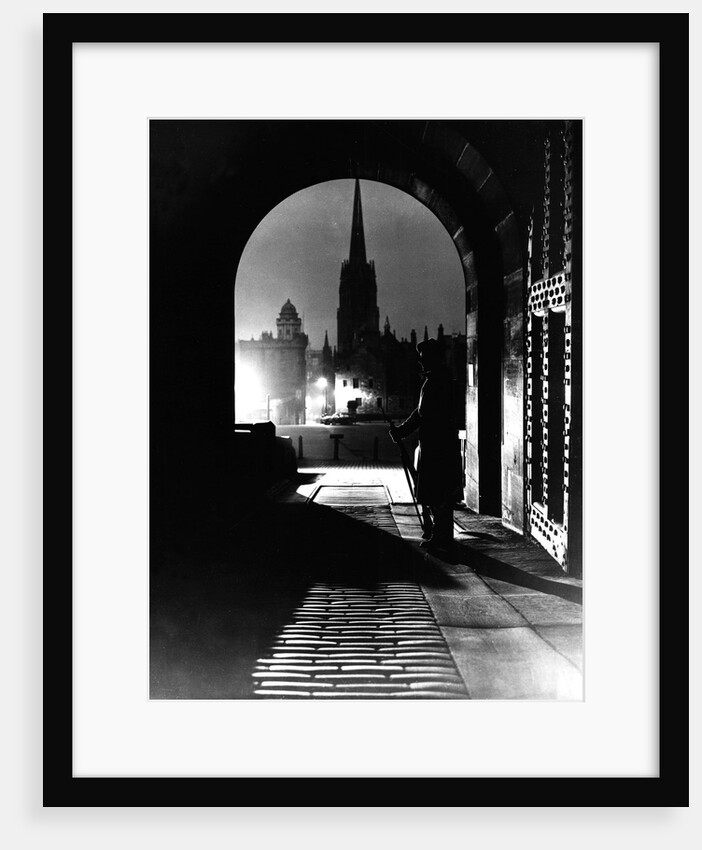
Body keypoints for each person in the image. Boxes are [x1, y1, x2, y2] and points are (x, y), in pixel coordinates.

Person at [389, 338, 462, 551]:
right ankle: (440, 535)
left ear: (432, 358)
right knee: (436, 493)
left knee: (438, 493)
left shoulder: (437, 382)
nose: (420, 362)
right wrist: (402, 430)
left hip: (437, 447)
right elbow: (420, 413)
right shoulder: (436, 379)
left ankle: (441, 539)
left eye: (423, 358)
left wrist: (402, 431)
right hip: (436, 445)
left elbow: (423, 415)